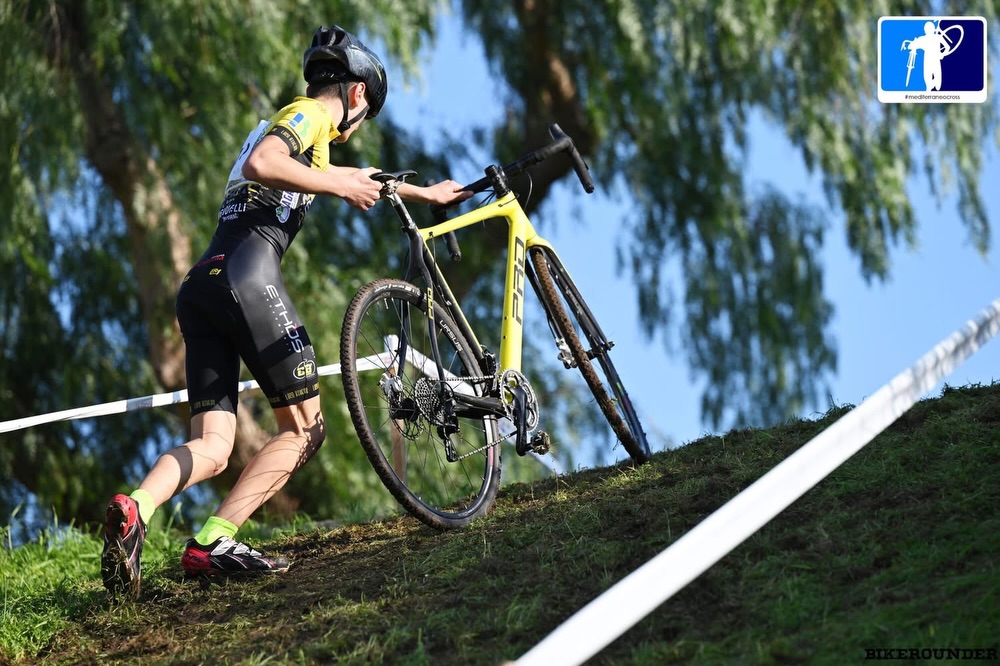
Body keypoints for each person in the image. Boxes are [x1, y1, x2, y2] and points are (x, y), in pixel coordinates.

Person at [100, 25, 471, 598]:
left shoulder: (312, 138)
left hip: (202, 285)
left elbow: (354, 176)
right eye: (365, 115)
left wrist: (427, 195)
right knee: (305, 428)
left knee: (215, 447)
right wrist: (339, 187)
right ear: (355, 96)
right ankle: (213, 543)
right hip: (248, 276)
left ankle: (135, 507)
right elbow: (266, 162)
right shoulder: (309, 115)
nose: (356, 133)